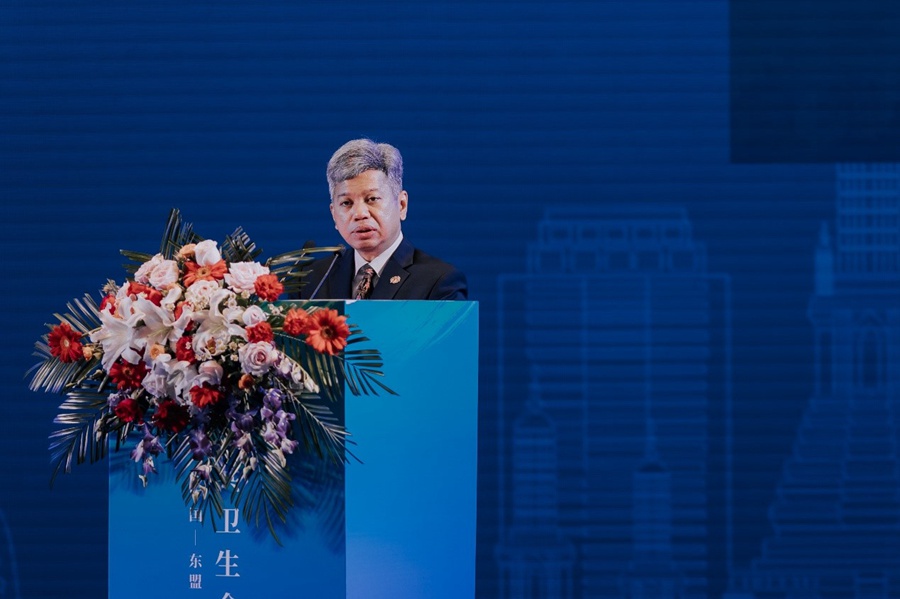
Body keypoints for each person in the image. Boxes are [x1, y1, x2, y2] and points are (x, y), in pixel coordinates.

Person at [299, 138, 468, 300]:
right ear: (334, 214)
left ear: (401, 205)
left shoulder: (439, 282)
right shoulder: (311, 282)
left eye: (372, 199)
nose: (359, 213)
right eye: (346, 203)